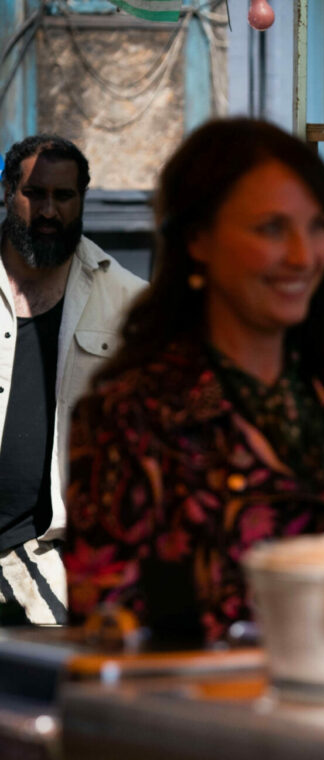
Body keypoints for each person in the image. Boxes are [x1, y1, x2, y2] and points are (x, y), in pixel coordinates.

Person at [64, 119, 324, 642]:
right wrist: (311, 575)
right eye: (271, 228)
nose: (303, 255)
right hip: (208, 717)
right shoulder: (135, 413)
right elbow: (110, 627)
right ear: (198, 238)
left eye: (317, 225)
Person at [0, 135, 145, 625]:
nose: (48, 211)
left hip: (45, 545)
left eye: (63, 197)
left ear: (82, 199)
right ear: (7, 193)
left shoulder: (123, 299)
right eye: (34, 194)